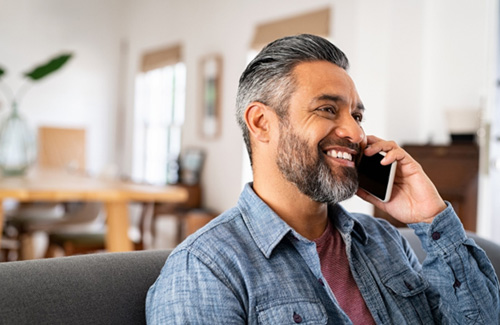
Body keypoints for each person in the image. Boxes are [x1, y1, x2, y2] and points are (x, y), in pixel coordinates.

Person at [146, 34, 500, 324]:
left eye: (357, 115)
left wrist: (430, 216)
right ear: (261, 123)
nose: (355, 132)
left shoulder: (384, 242)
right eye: (328, 109)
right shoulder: (206, 269)